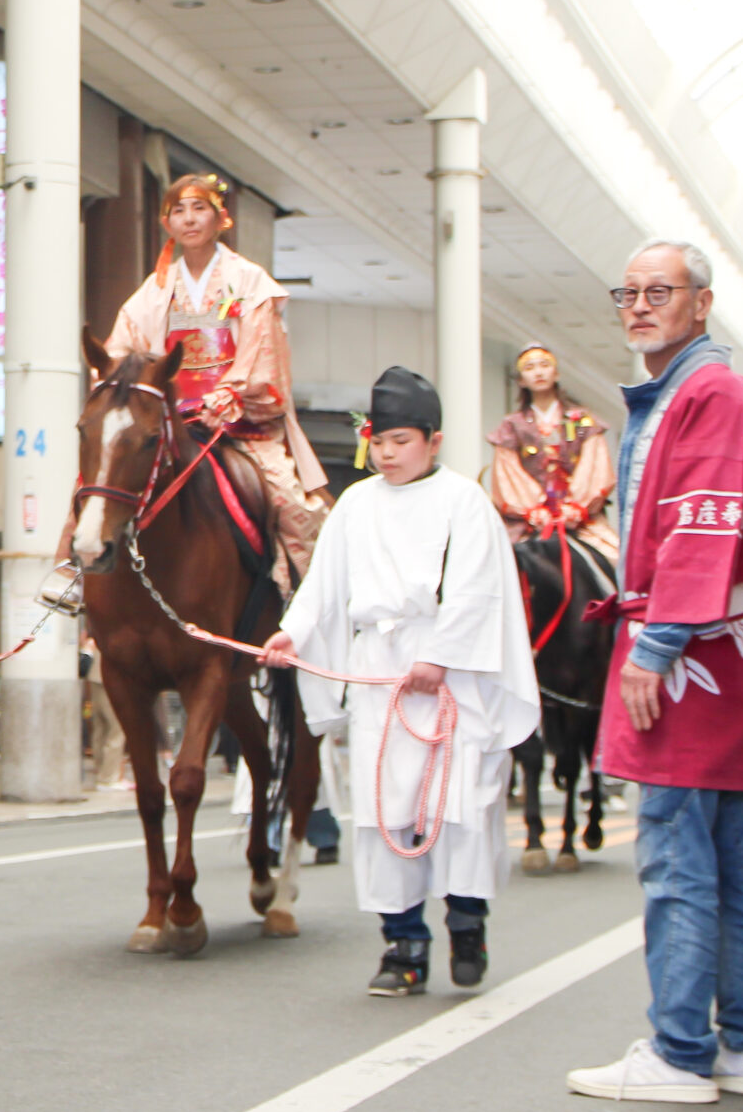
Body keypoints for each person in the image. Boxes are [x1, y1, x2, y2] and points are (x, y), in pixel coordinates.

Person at [566, 240, 743, 1105]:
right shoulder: (689, 391)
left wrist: (653, 648)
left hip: (688, 648)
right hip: (720, 645)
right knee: (726, 855)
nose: (640, 304)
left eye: (663, 290)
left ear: (704, 304)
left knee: (676, 854)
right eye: (630, 291)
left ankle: (682, 1049)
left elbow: (702, 525)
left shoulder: (709, 391)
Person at [263, 368, 539, 996]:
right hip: (378, 672)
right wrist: (292, 632)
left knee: (458, 805)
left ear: (433, 441)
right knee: (385, 811)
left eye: (401, 441)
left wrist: (441, 654)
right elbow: (324, 587)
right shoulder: (356, 503)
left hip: (450, 677)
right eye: (378, 441)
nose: (386, 454)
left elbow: (477, 589)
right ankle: (403, 945)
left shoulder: (464, 502)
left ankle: (468, 924)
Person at [105, 172, 328, 585]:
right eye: (178, 211)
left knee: (294, 505)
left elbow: (262, 348)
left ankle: (301, 598)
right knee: (99, 485)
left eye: (199, 208)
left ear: (220, 217)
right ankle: (73, 577)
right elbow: (121, 349)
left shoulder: (248, 281)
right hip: (170, 418)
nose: (189, 219)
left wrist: (230, 396)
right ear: (167, 222)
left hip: (237, 422)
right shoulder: (153, 291)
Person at [488, 342, 620, 558]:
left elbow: (594, 467)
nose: (538, 372)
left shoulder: (583, 421)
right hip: (528, 522)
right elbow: (508, 475)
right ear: (521, 380)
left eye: (544, 365)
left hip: (580, 519)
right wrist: (535, 510)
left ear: (556, 373)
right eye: (529, 368)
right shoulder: (511, 426)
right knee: (498, 564)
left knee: (616, 559)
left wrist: (576, 507)